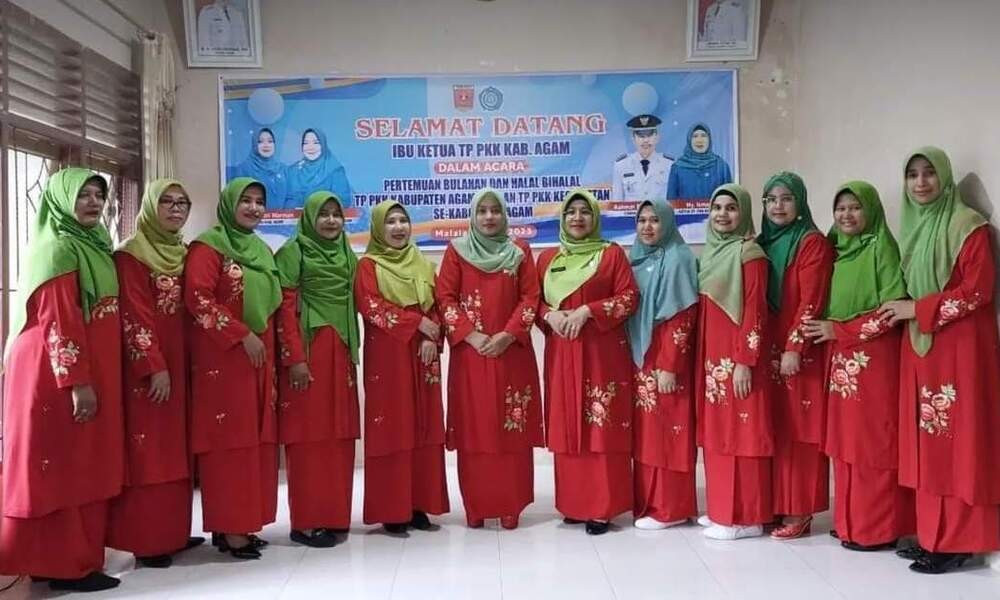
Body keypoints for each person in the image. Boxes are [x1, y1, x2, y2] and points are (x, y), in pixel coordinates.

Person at [0, 169, 123, 592]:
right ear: (61, 200)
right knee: (59, 465)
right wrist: (77, 382)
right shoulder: (56, 248)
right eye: (82, 195)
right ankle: (63, 566)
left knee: (80, 461)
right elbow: (59, 320)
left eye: (99, 195)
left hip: (81, 365)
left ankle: (72, 561)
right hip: (53, 372)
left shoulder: (95, 243)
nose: (93, 202)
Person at [879, 147, 1000, 574]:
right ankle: (933, 535)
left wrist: (917, 309)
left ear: (944, 177)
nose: (920, 182)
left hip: (959, 348)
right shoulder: (914, 226)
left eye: (929, 173)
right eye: (912, 174)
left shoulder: (968, 226)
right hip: (922, 345)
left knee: (957, 441)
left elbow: (978, 291)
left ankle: (962, 540)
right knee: (927, 442)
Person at [801, 181, 914, 551]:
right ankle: (850, 522)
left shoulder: (881, 246)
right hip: (841, 358)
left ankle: (877, 529)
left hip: (875, 359)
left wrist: (839, 330)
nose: (846, 215)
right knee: (844, 443)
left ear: (870, 210)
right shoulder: (833, 248)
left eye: (855, 207)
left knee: (872, 444)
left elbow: (891, 312)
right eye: (841, 208)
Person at [107, 179, 204, 568]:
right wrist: (153, 366)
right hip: (149, 370)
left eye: (182, 203)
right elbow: (134, 316)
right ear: (150, 207)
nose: (176, 209)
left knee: (177, 448)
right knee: (151, 450)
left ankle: (173, 532)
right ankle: (147, 541)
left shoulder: (183, 251)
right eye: (167, 202)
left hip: (182, 362)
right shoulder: (131, 255)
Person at [184, 177, 282, 559]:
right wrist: (242, 335)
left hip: (258, 356)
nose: (254, 208)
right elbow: (198, 299)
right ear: (229, 204)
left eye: (259, 201)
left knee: (255, 441)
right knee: (229, 442)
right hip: (223, 358)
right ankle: (229, 527)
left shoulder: (261, 249)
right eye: (246, 200)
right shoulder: (208, 247)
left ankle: (244, 523)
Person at [435, 188, 542, 530]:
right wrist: (472, 335)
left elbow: (531, 298)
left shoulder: (519, 250)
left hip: (511, 354)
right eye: (482, 211)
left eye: (495, 210)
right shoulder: (456, 251)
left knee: (511, 426)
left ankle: (511, 504)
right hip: (472, 354)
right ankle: (477, 506)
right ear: (473, 215)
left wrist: (507, 335)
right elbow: (445, 298)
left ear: (504, 214)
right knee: (475, 428)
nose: (489, 217)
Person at [537, 188, 638, 535]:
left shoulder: (611, 255)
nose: (577, 218)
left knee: (601, 424)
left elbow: (629, 298)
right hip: (562, 353)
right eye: (570, 212)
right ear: (562, 218)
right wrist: (549, 315)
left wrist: (589, 311)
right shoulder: (547, 258)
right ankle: (574, 504)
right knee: (567, 424)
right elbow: (534, 302)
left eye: (584, 212)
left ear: (595, 218)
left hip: (601, 355)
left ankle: (602, 507)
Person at [356, 200, 449, 534]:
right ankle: (392, 509)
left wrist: (432, 336)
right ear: (378, 228)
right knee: (392, 425)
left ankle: (419, 504)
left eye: (403, 221)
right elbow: (370, 306)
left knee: (424, 424)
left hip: (423, 354)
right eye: (390, 222)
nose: (398, 228)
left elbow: (439, 305)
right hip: (388, 356)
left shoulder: (422, 263)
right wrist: (417, 323)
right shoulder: (368, 265)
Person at [274, 191, 360, 547]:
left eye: (336, 214)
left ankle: (335, 515)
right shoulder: (293, 252)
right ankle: (306, 522)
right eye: (323, 214)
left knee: (339, 433)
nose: (330, 220)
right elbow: (283, 308)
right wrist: (294, 358)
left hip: (341, 349)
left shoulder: (345, 250)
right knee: (308, 437)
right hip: (308, 351)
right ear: (309, 217)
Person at [757, 171, 833, 540]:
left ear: (800, 202)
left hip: (798, 352)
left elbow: (811, 299)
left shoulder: (811, 243)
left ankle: (800, 509)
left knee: (799, 430)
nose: (778, 206)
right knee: (772, 426)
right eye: (771, 199)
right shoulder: (760, 243)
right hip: (766, 348)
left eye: (786, 198)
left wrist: (795, 346)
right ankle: (774, 504)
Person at [695, 184, 771, 540]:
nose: (723, 214)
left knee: (743, 434)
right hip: (714, 358)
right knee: (720, 433)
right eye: (717, 207)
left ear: (744, 213)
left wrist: (745, 360)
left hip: (738, 358)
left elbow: (755, 310)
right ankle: (722, 509)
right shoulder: (712, 252)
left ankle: (746, 518)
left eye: (731, 208)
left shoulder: (749, 253)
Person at [626, 199, 699, 530]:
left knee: (670, 431)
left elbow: (683, 316)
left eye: (655, 220)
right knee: (648, 434)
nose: (647, 226)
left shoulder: (679, 258)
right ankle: (649, 503)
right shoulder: (637, 257)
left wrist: (669, 364)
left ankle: (671, 509)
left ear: (668, 223)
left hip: (667, 359)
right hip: (642, 357)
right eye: (642, 220)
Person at [285, 128, 352, 209]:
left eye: (316, 143)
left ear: (323, 145)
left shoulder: (334, 170)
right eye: (306, 143)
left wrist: (317, 209)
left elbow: (343, 201)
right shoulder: (294, 170)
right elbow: (289, 199)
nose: (310, 147)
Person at [612, 115, 673, 203]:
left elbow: (673, 202)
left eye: (649, 135)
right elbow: (617, 203)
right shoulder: (621, 165)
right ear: (633, 139)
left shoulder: (669, 164)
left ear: (657, 138)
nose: (646, 140)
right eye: (641, 136)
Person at [666, 122, 733, 201]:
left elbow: (729, 199)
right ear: (689, 140)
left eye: (703, 136)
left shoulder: (721, 166)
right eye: (695, 136)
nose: (699, 140)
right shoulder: (677, 168)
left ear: (709, 139)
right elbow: (671, 201)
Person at [230, 128, 289, 208]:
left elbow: (290, 197)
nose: (266, 145)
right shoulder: (244, 169)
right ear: (254, 144)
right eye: (260, 142)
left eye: (270, 141)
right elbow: (238, 199)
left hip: (282, 215)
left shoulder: (283, 169)